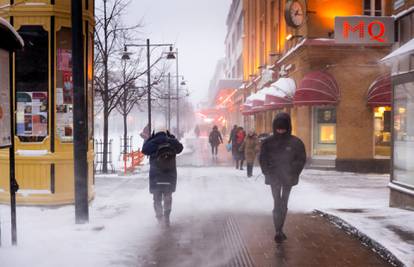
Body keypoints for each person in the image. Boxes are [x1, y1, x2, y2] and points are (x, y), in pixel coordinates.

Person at [259, 112, 306, 243]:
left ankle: (280, 229)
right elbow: (263, 158)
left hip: (288, 178)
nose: (280, 131)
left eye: (283, 129)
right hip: (274, 177)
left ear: (288, 127)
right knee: (277, 202)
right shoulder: (268, 142)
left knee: (283, 203)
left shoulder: (296, 142)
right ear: (274, 127)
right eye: (278, 129)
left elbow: (301, 159)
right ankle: (278, 230)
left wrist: (293, 171)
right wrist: (267, 171)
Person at [142, 130, 184, 227]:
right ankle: (167, 217)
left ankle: (159, 218)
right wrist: (171, 138)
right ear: (166, 132)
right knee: (168, 196)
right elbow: (180, 148)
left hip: (156, 175)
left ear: (155, 133)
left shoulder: (152, 142)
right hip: (170, 175)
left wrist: (149, 139)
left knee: (157, 198)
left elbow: (144, 150)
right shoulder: (170, 141)